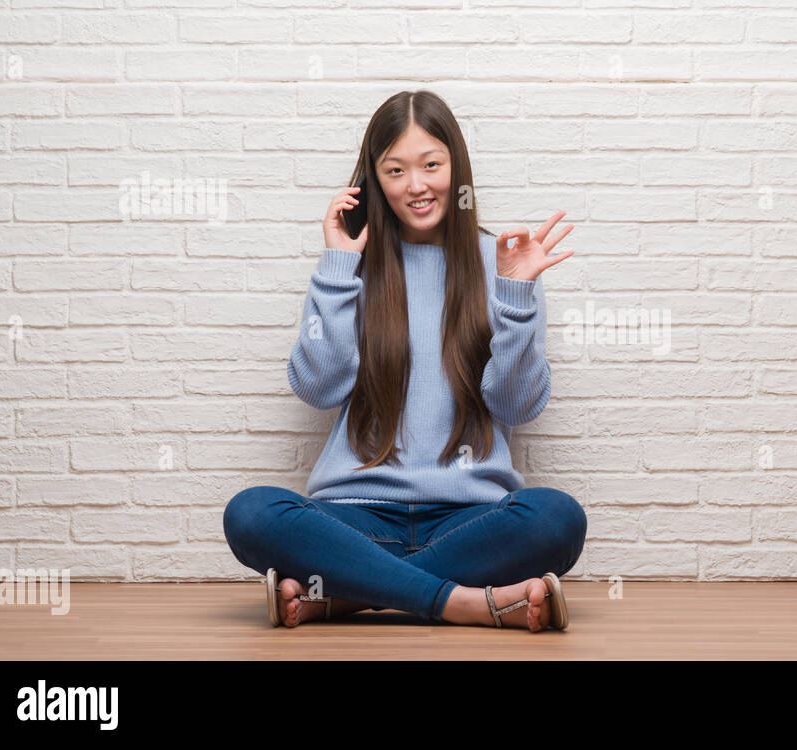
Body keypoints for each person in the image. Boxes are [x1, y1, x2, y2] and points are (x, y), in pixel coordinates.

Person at [222, 90, 586, 632]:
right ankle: (462, 602)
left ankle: (347, 596)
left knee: (557, 519)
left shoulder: (504, 261)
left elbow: (517, 404)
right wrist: (337, 265)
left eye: (431, 165)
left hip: (470, 519)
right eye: (395, 170)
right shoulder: (348, 266)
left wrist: (515, 296)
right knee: (251, 513)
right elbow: (318, 388)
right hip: (355, 517)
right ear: (373, 181)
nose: (416, 185)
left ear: (456, 168)